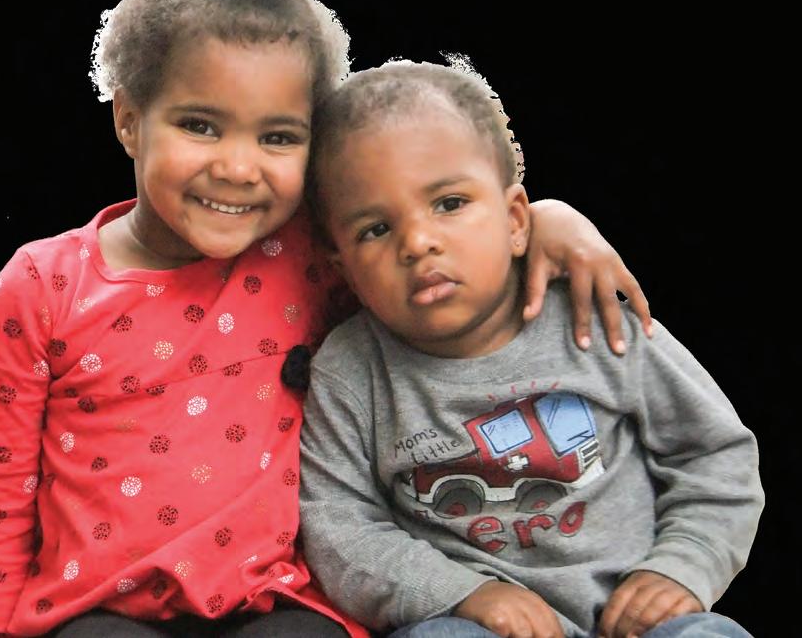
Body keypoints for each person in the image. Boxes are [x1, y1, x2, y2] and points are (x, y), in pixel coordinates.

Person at [0, 0, 650, 638]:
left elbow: (427, 226)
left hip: (278, 600)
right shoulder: (41, 287)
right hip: (97, 611)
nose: (237, 167)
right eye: (199, 125)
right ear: (130, 119)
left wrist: (548, 217)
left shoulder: (310, 255)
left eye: (277, 137)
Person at [299, 59, 764, 638]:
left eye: (450, 203)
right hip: (473, 624)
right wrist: (461, 594)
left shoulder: (591, 316)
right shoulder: (351, 369)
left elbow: (714, 455)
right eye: (375, 229)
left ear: (517, 220)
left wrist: (682, 567)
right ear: (342, 266)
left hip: (638, 623)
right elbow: (338, 527)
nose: (418, 242)